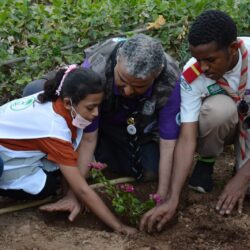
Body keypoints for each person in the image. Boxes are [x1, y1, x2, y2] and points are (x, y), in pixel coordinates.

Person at [23, 34, 181, 220]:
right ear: (118, 60)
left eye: (140, 86)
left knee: (150, 169)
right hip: (87, 117)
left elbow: (168, 143)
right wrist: (73, 195)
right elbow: (88, 137)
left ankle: (94, 158)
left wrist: (161, 197)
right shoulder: (97, 69)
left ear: (157, 74)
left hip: (131, 126)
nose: (128, 91)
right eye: (123, 80)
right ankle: (63, 158)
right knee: (35, 91)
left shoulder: (170, 80)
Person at [140, 10, 250, 232]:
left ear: (233, 49)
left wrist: (242, 177)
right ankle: (207, 161)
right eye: (199, 59)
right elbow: (187, 139)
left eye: (210, 60)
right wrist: (173, 197)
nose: (204, 67)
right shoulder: (193, 73)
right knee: (216, 112)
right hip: (225, 123)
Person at [0, 65, 136, 234]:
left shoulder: (54, 101)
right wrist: (119, 227)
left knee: (58, 174)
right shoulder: (54, 130)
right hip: (4, 157)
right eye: (90, 107)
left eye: (98, 106)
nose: (96, 113)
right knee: (46, 187)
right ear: (67, 102)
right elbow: (82, 189)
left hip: (11, 148)